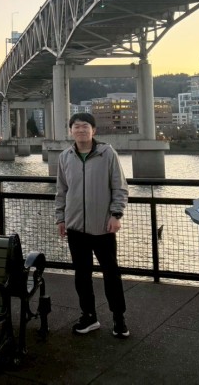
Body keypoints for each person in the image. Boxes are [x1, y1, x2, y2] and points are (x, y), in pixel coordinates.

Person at [55, 112, 130, 339]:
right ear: (71, 131)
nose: (80, 130)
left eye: (85, 126)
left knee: (111, 273)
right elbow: (61, 191)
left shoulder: (107, 153)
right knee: (82, 275)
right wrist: (60, 218)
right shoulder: (65, 157)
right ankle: (89, 316)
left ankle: (119, 318)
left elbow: (120, 187)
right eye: (76, 126)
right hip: (75, 227)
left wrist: (116, 214)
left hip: (103, 226)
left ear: (93, 130)